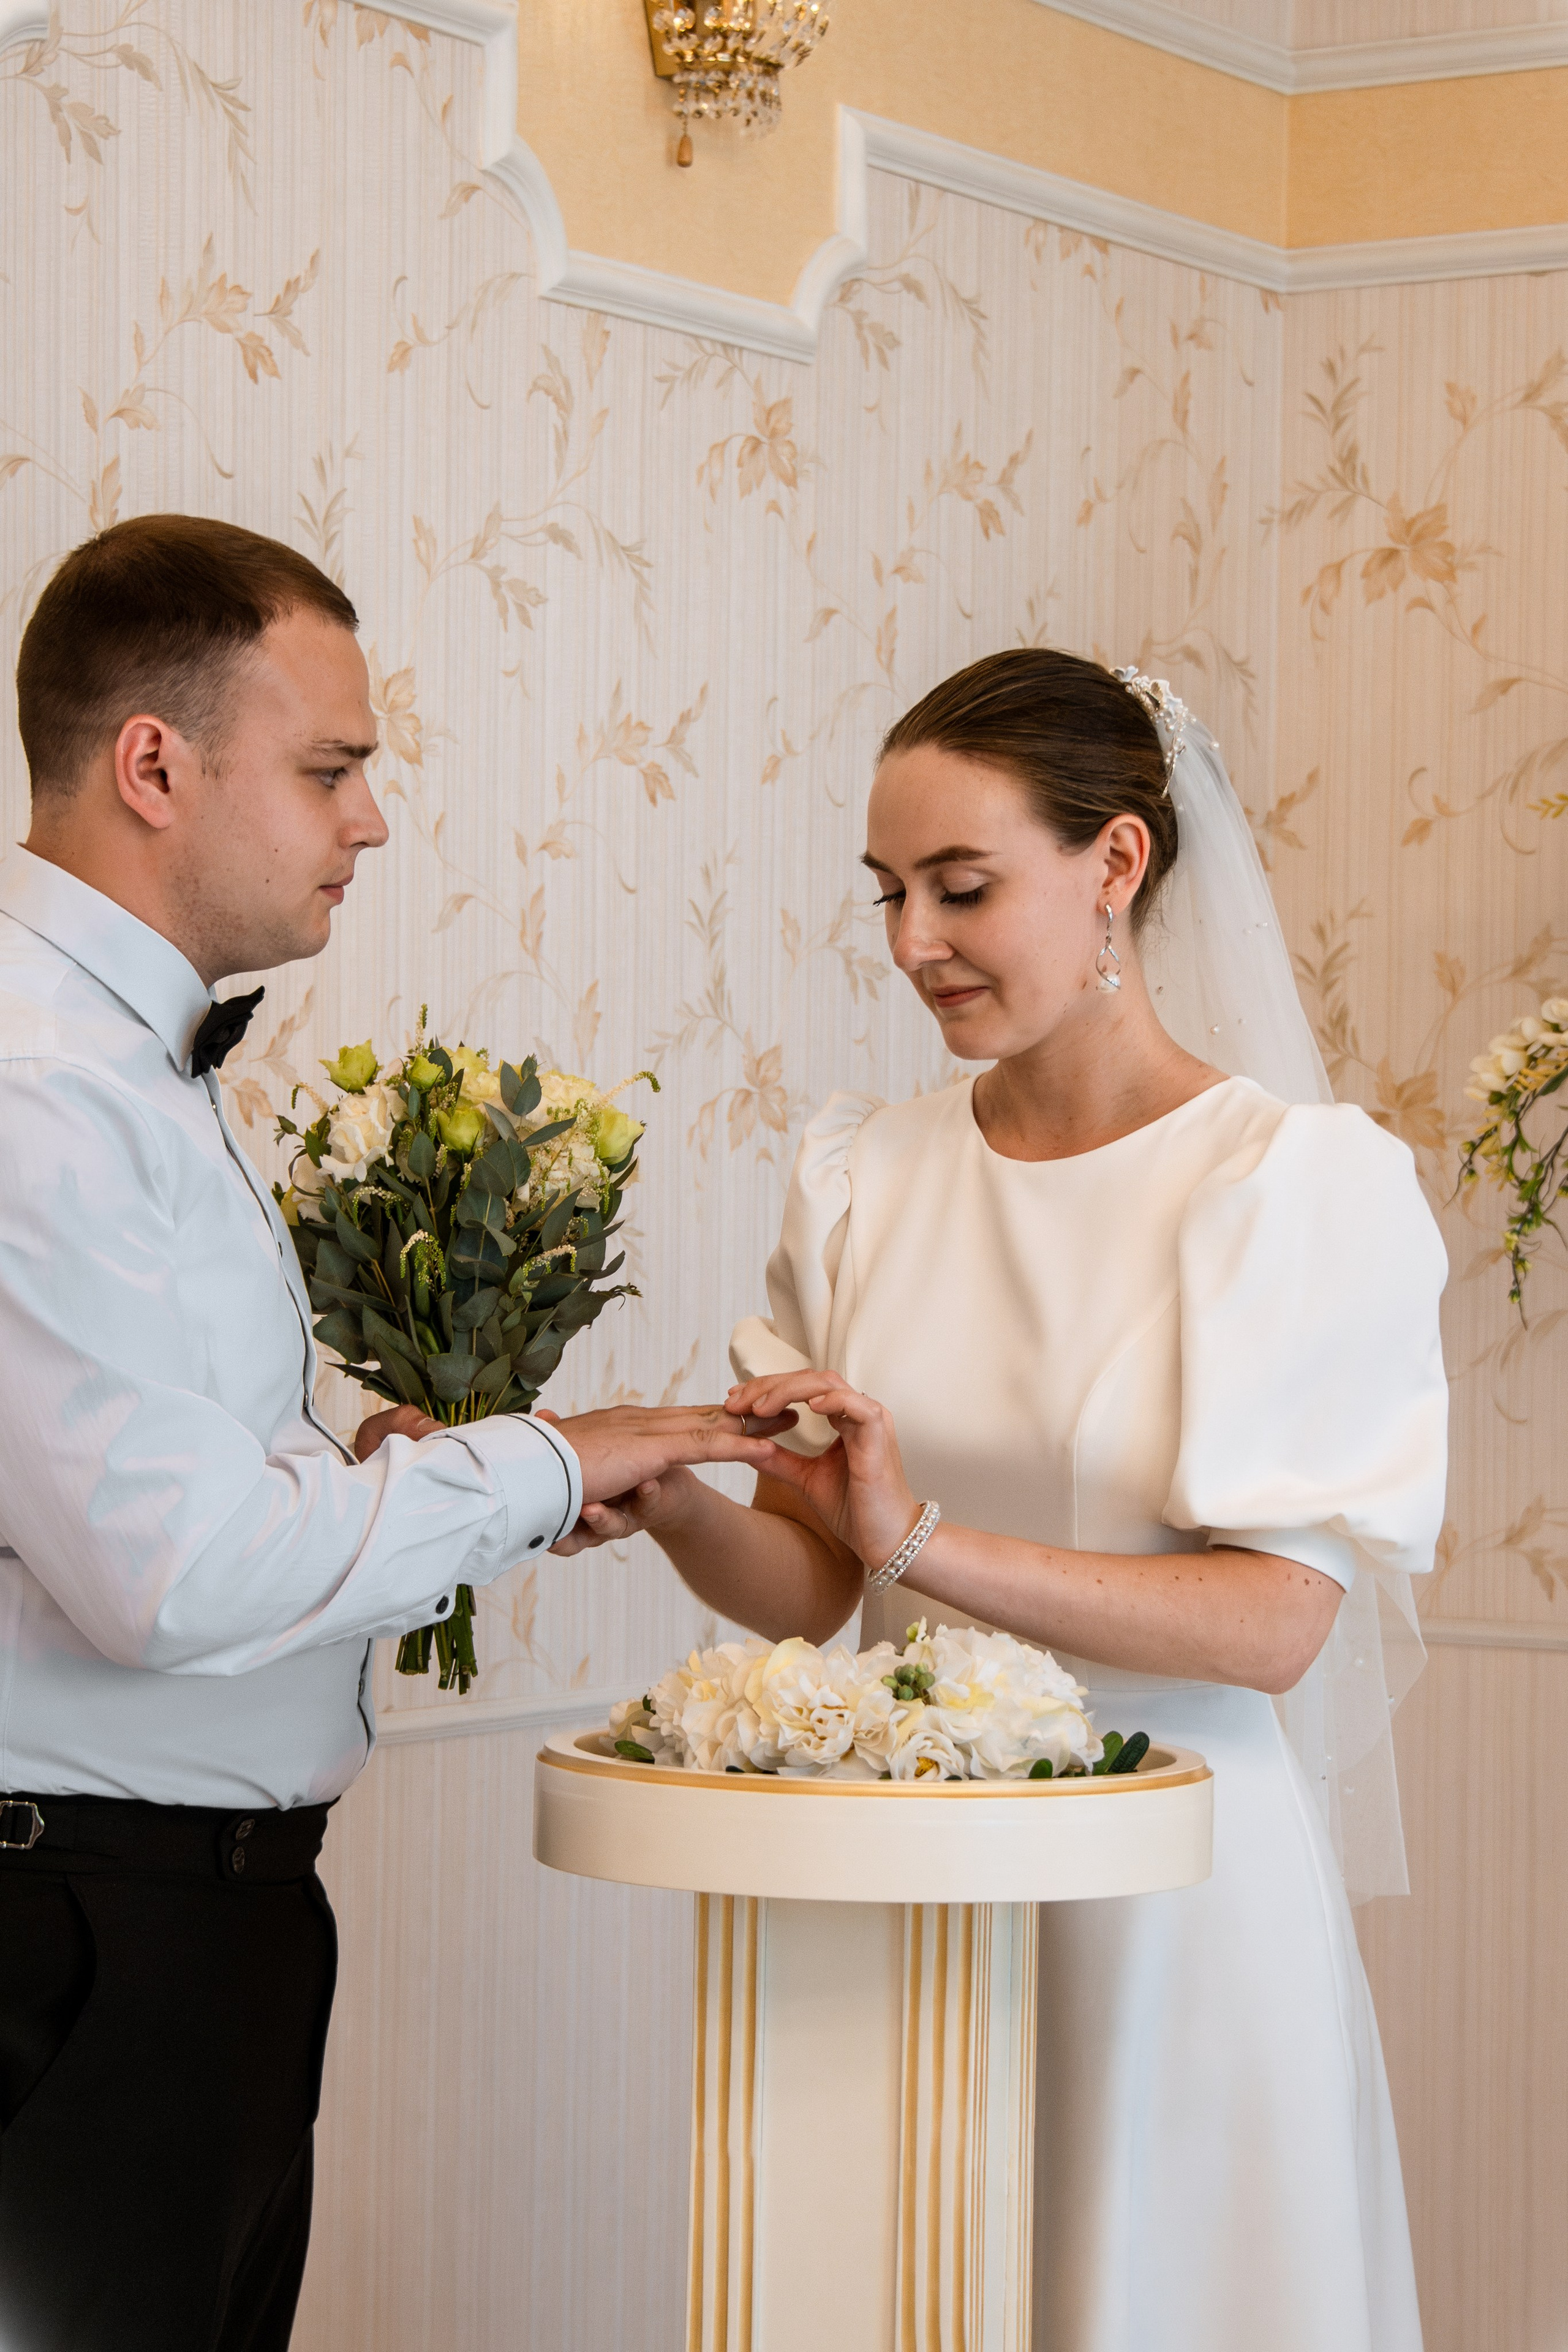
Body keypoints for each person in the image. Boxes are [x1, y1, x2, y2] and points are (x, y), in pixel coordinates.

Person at [557, 649, 1448, 2350]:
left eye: (962, 889)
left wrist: (920, 1541)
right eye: (889, 894)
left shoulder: (1286, 1187)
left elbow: (1275, 1626)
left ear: (1115, 866)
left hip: (1176, 1902)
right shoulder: (866, 1172)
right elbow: (822, 1587)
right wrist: (671, 1500)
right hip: (904, 1890)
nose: (912, 945)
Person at [0, 514, 782, 2352]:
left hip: (201, 1935)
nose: (370, 820)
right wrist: (552, 1456)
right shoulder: (44, 1095)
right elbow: (167, 1579)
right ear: (155, 765)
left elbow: (144, 1484)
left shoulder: (135, 1072)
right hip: (81, 1940)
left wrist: (385, 1468)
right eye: (334, 768)